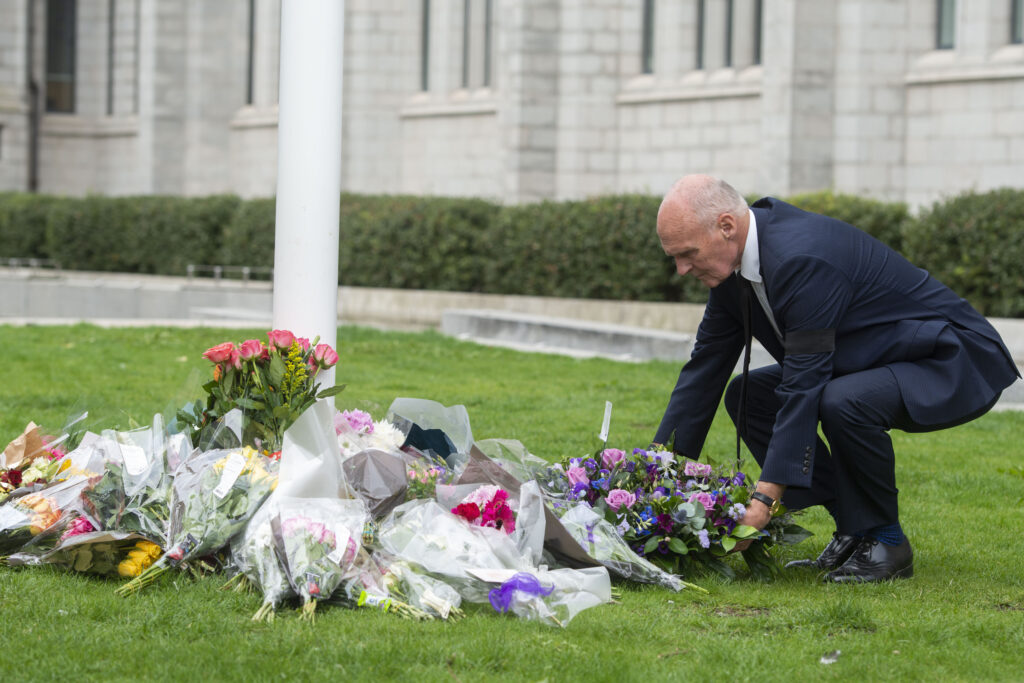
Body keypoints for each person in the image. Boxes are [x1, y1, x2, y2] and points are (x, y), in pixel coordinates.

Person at [652, 174, 1020, 583]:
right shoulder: (733, 269)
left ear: (726, 226)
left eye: (686, 253)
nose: (682, 269)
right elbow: (704, 368)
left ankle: (887, 541)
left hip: (951, 356)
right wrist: (654, 474)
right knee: (750, 393)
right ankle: (855, 530)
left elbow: (804, 381)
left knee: (844, 400)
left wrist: (763, 500)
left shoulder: (802, 257)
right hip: (875, 359)